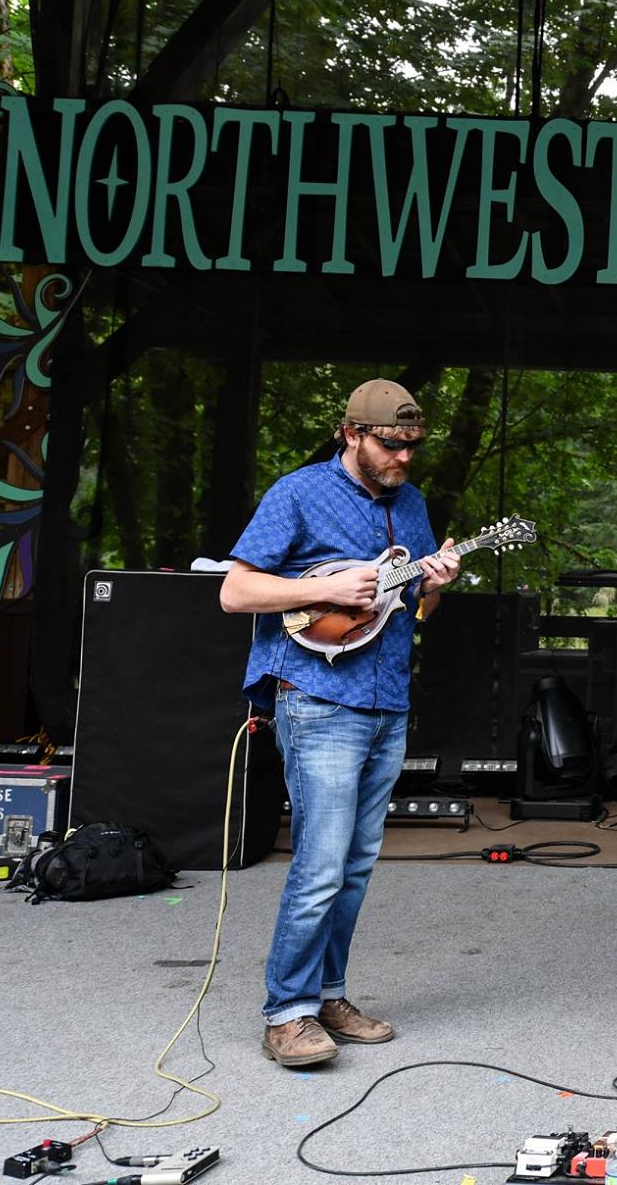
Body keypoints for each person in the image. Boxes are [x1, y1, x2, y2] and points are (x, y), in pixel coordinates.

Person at [219, 379, 462, 1068]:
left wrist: (436, 581)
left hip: (387, 700)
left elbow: (414, 608)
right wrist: (323, 586)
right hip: (319, 696)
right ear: (350, 433)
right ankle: (285, 1012)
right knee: (321, 863)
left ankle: (328, 994)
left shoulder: (409, 503)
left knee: (353, 866)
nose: (404, 459)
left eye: (412, 446)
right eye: (391, 445)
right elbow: (234, 590)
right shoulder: (296, 492)